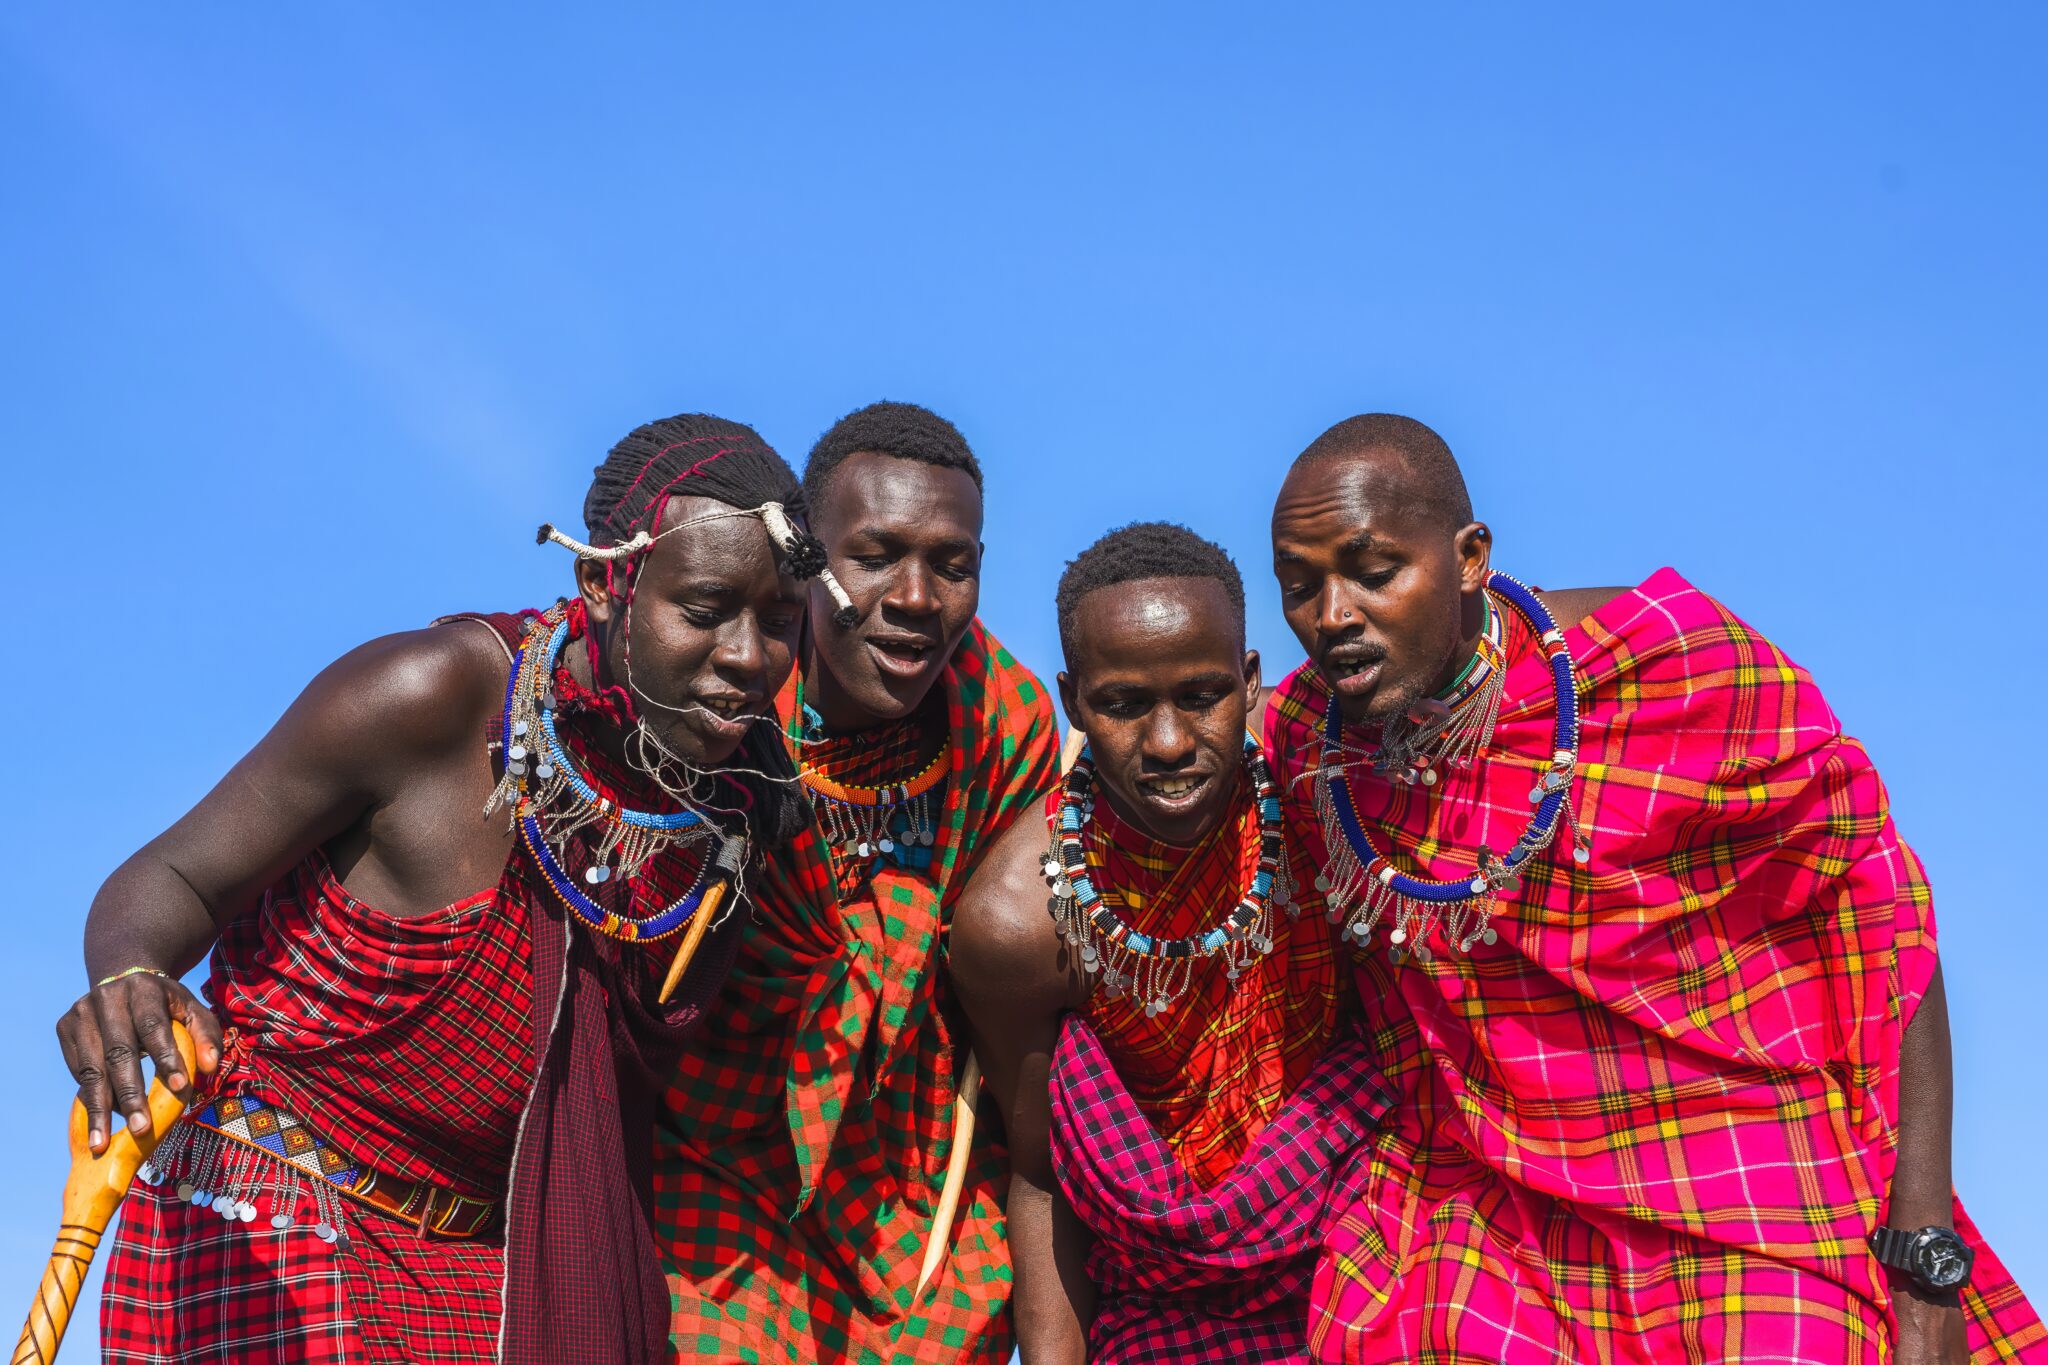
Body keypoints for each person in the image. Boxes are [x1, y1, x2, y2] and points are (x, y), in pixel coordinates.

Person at [1262, 413, 2046, 1364]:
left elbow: (1881, 908)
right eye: (1299, 588)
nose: (1332, 614)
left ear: (1470, 557)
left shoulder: (1671, 669)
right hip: (1487, 1200)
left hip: (1742, 1167)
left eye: (1373, 571)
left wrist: (1924, 1255)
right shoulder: (1312, 746)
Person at [64, 413, 826, 1365]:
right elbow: (169, 876)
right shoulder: (428, 700)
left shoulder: (731, 806)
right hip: (275, 1211)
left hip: (489, 1270)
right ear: (603, 583)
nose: (750, 656)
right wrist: (125, 976)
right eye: (707, 610)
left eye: (781, 619)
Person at [656, 401, 1061, 1363]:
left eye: (954, 565)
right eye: (875, 555)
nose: (918, 596)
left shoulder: (1004, 723)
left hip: (913, 1182)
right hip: (710, 1149)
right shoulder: (728, 699)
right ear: (806, 557)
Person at [951, 522, 1371, 1363]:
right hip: (1156, 1313)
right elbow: (1040, 1175)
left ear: (1251, 683)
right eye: (1124, 704)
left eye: (1202, 695)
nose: (1170, 742)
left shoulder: (1341, 832)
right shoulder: (1018, 919)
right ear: (1073, 701)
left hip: (1360, 1267)